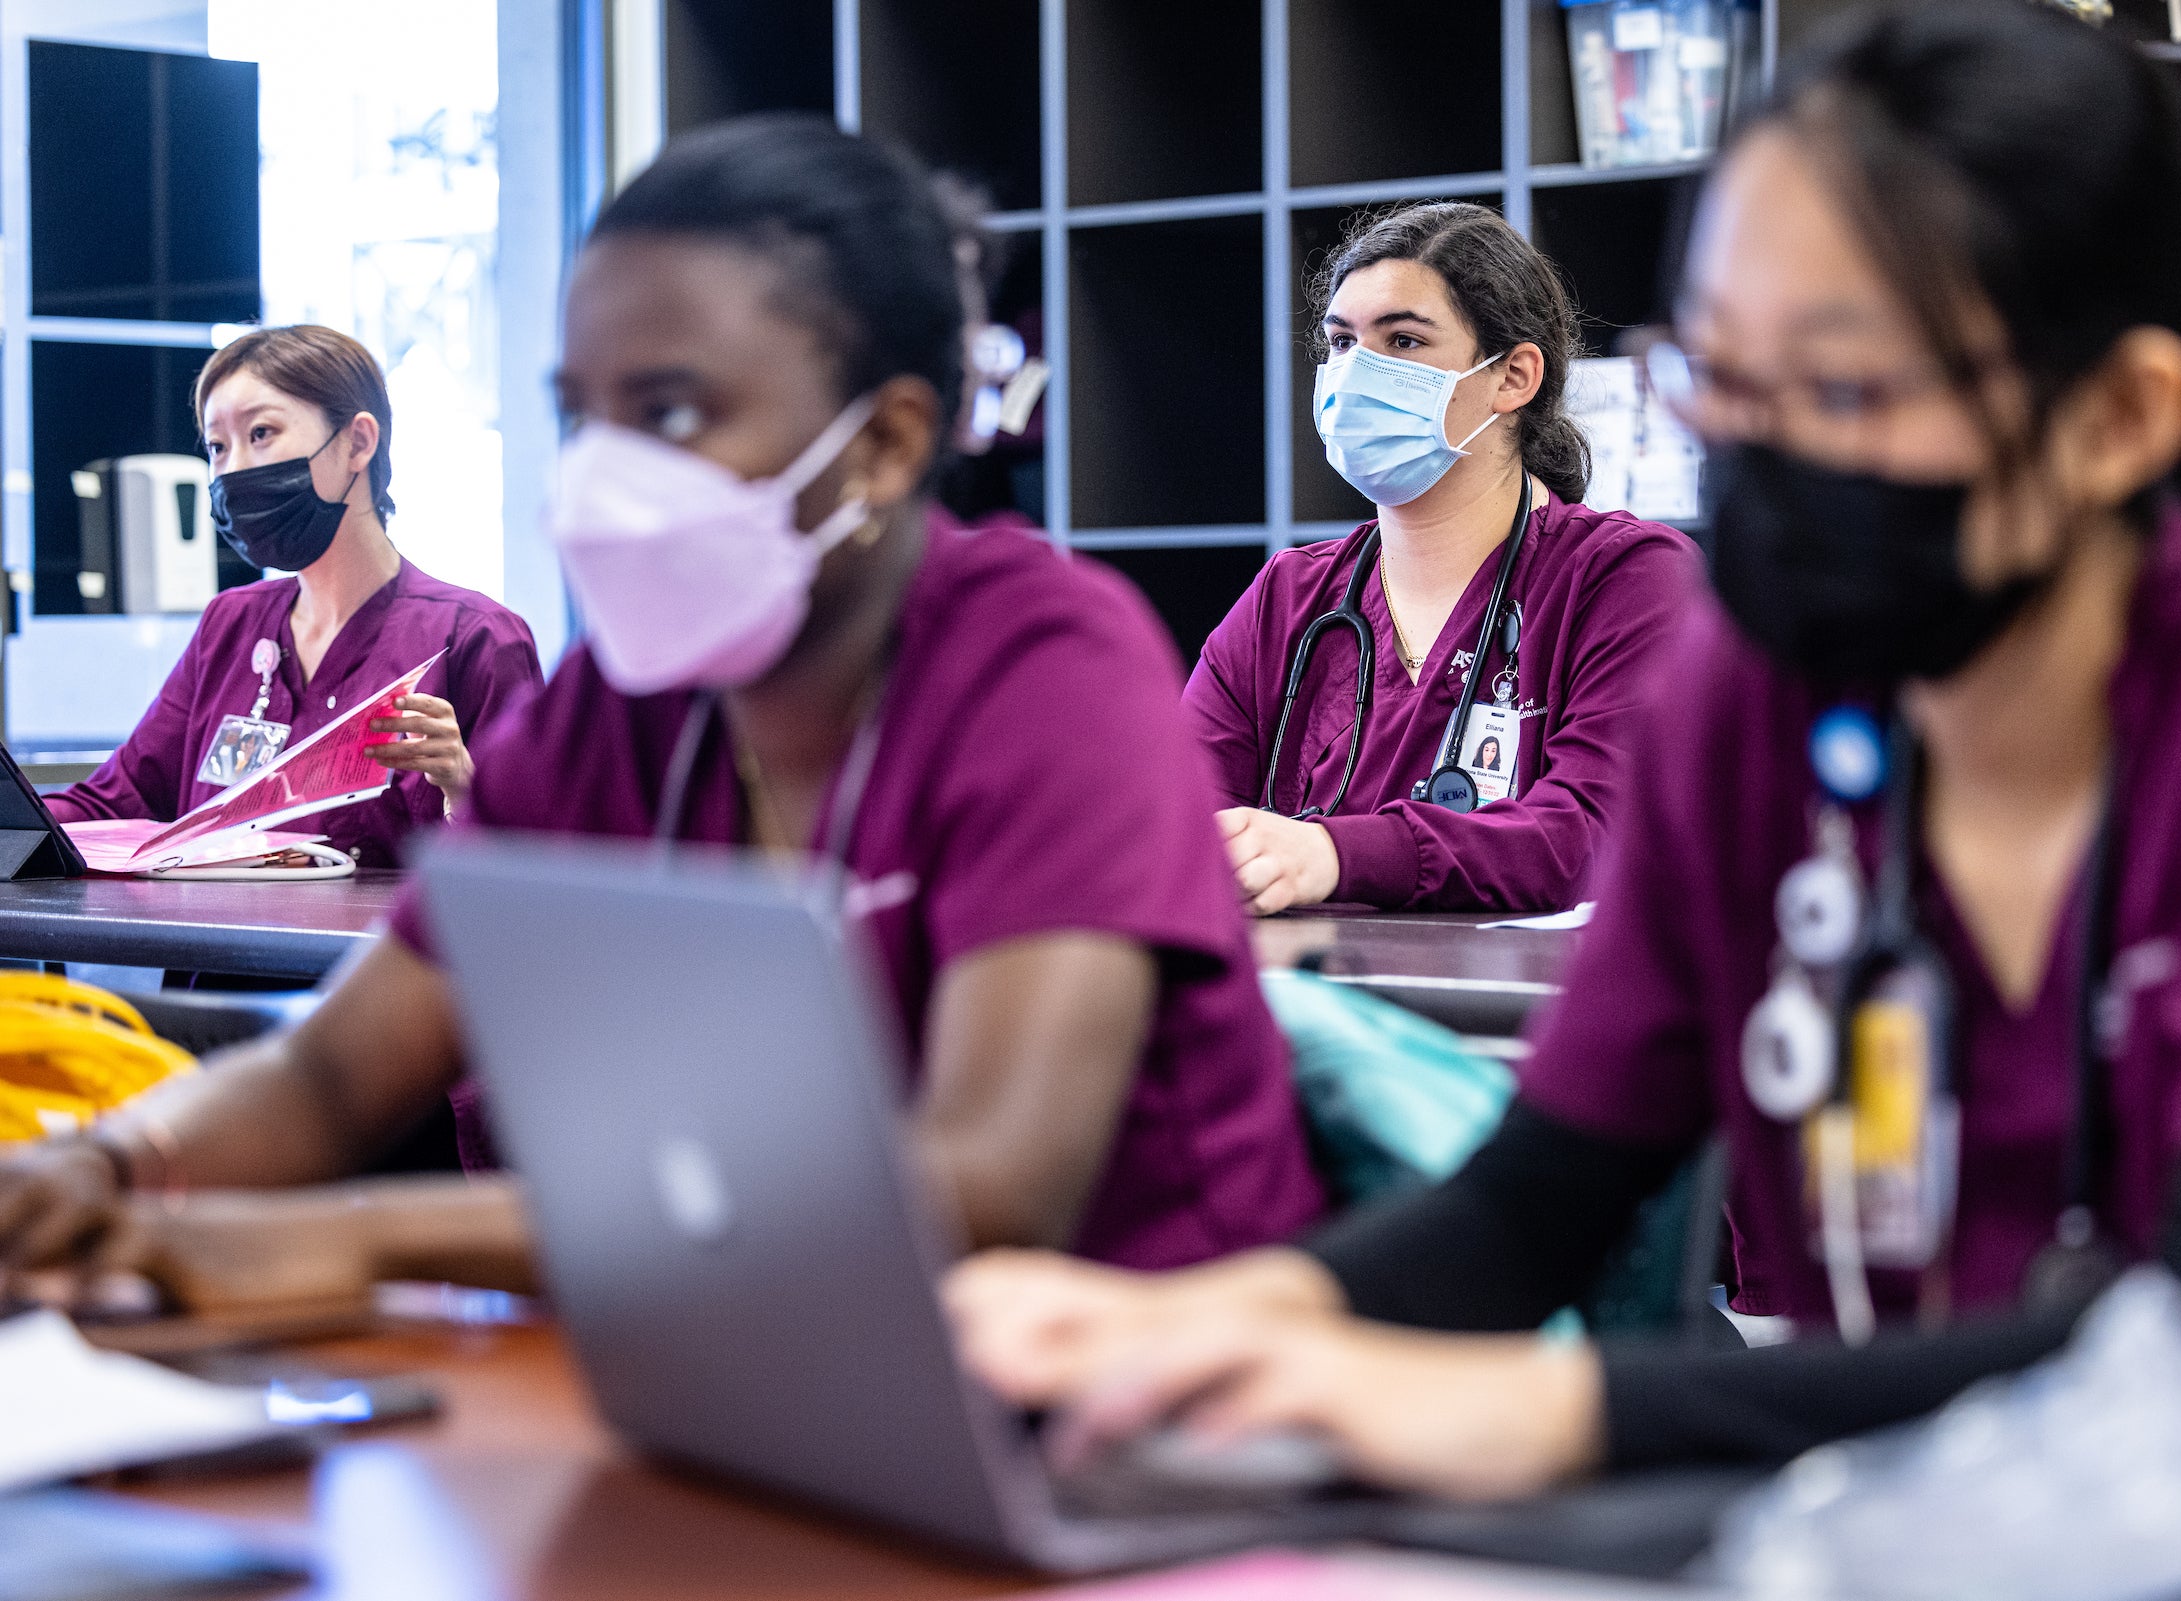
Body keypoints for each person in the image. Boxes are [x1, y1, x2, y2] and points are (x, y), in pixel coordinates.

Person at [947, 2, 2181, 1499]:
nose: (1760, 461)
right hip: (1916, 1504)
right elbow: (1539, 1199)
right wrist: (1194, 1329)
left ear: (2118, 417)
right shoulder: (1759, 696)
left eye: (1837, 390)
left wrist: (1558, 1421)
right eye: (1723, 381)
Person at [0, 115, 1321, 1285]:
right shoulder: (616, 707)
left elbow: (986, 1187)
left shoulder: (1043, 662)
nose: (608, 474)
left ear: (889, 441)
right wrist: (106, 1166)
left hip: (1121, 1423)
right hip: (736, 1364)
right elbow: (337, 1068)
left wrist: (359, 1233)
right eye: (584, 413)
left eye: (673, 411)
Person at [1187, 203, 1697, 917]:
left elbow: (1594, 831)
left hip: (1514, 1019)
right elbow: (1173, 825)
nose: (1356, 373)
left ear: (1514, 377)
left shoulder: (1625, 579)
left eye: (1401, 340)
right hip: (1308, 1005)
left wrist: (1334, 854)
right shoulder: (1288, 599)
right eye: (1340, 343)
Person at [45, 327, 540, 866]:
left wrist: (464, 788)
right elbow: (118, 800)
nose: (232, 469)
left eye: (261, 433)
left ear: (357, 442)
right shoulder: (231, 625)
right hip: (205, 947)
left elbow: (539, 869)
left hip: (369, 952)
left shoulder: (475, 637)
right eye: (216, 446)